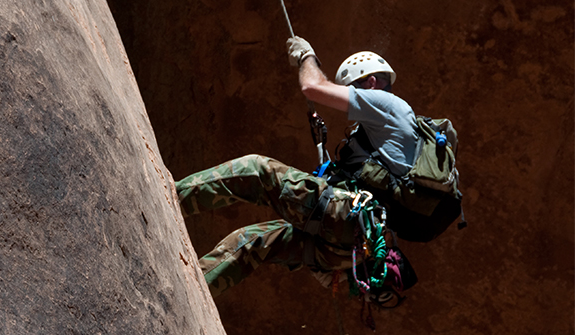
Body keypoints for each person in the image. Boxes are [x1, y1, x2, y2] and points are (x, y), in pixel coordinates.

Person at [177, 36, 423, 299]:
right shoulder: (401, 134)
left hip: (347, 220)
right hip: (352, 244)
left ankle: (171, 199)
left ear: (371, 82)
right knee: (253, 243)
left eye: (353, 88)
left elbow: (313, 86)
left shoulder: (388, 104)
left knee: (257, 171)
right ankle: (190, 293)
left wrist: (307, 56)